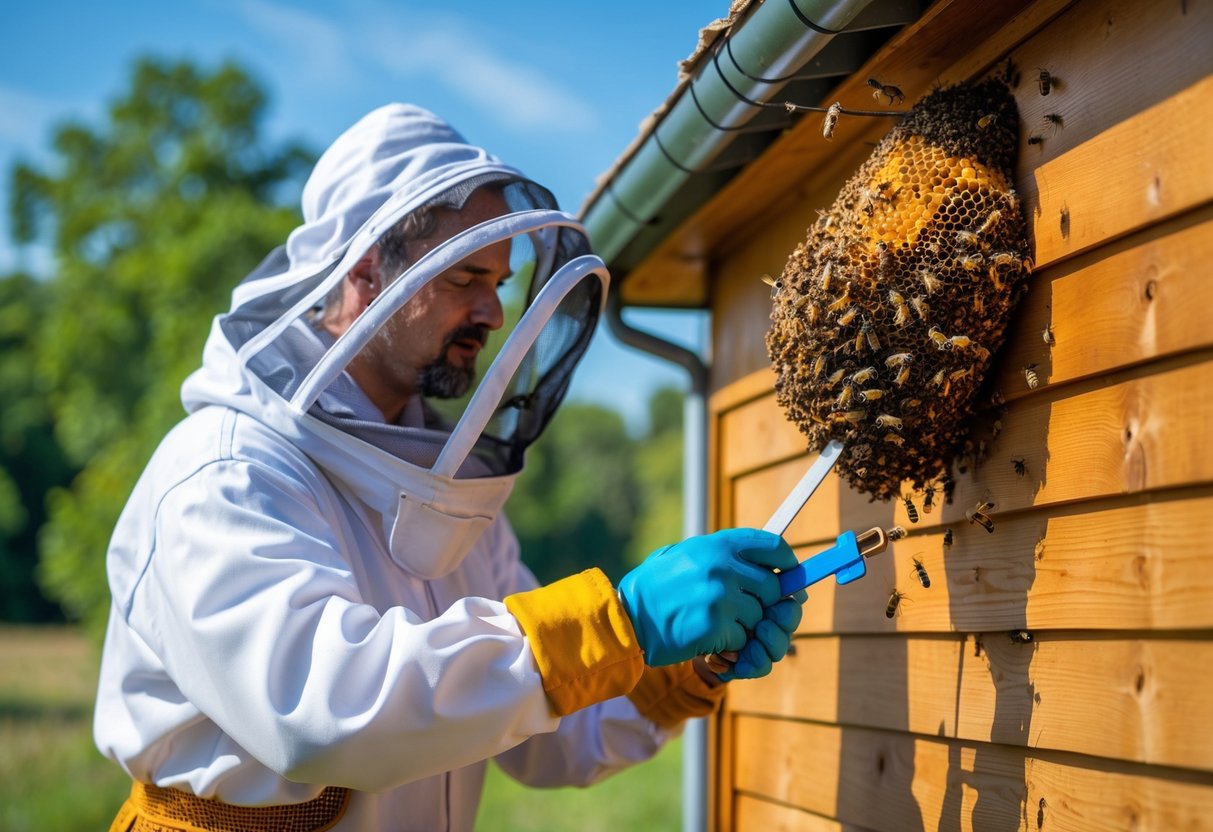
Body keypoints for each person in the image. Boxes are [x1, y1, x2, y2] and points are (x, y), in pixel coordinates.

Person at [96, 103, 807, 831]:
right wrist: (615, 622)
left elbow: (552, 734)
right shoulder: (228, 472)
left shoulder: (450, 497)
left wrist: (673, 665)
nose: (493, 313)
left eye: (498, 282)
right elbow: (328, 709)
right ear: (367, 271)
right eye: (466, 275)